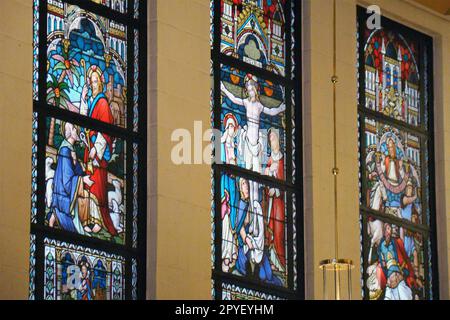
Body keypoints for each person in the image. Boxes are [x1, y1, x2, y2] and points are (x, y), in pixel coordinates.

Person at [221, 74, 286, 208]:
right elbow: (234, 98)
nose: (250, 88)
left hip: (257, 145)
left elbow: (272, 111)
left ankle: (255, 207)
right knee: (246, 175)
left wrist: (282, 108)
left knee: (256, 177)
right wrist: (224, 88)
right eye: (248, 86)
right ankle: (248, 209)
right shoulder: (245, 102)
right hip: (247, 144)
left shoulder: (259, 105)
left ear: (256, 89)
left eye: (252, 86)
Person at [80, 65, 117, 236]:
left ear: (100, 83)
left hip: (97, 153)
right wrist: (82, 98)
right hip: (90, 148)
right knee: (89, 182)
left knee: (97, 184)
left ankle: (99, 222)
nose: (93, 84)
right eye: (91, 81)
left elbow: (107, 128)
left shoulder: (102, 102)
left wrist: (96, 148)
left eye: (96, 81)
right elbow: (84, 119)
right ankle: (87, 219)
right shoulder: (91, 101)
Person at [49, 122, 94, 234]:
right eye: (74, 128)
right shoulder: (65, 150)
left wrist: (83, 171)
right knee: (85, 196)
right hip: (63, 194)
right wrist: (82, 180)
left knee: (89, 196)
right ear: (69, 132)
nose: (77, 131)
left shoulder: (71, 149)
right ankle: (58, 217)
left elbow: (77, 171)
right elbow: (66, 179)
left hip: (68, 190)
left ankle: (86, 223)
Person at [264, 128, 285, 271]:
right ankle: (272, 261)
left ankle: (281, 263)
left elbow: (285, 182)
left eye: (274, 138)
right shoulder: (269, 160)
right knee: (269, 230)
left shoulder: (283, 160)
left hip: (279, 202)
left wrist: (276, 189)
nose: (272, 142)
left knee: (278, 230)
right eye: (270, 140)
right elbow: (265, 180)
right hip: (271, 202)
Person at [221, 113, 239, 272]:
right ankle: (225, 252)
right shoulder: (222, 143)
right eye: (229, 126)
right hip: (225, 185)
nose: (231, 129)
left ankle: (231, 251)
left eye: (233, 126)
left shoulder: (234, 145)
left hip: (233, 186)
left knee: (232, 216)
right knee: (225, 218)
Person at [377, 223, 414, 300]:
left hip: (398, 273)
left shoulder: (395, 241)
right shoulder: (381, 244)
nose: (389, 230)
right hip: (390, 278)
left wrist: (404, 271)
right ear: (384, 230)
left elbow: (403, 256)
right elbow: (382, 261)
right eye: (387, 228)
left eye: (390, 228)